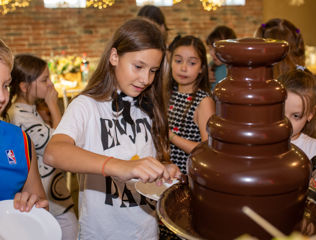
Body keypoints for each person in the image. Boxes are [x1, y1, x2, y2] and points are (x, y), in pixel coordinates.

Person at [43, 18, 181, 240]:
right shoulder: (87, 106)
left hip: (145, 232)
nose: (145, 79)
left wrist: (161, 171)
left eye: (153, 70)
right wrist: (121, 167)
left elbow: (137, 157)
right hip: (101, 233)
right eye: (138, 66)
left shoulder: (148, 107)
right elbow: (53, 153)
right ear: (114, 57)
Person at [7, 54, 78, 240]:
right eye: (45, 80)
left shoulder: (29, 110)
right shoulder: (20, 116)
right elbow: (63, 146)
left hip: (53, 193)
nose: (50, 85)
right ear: (24, 87)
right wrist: (53, 105)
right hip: (48, 197)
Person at [0, 39, 48, 212]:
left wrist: (34, 206)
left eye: (5, 85)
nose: (2, 97)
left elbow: (42, 206)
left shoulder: (20, 140)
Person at [167, 35, 215, 174]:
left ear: (202, 68)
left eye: (192, 63)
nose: (183, 68)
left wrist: (170, 136)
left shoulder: (203, 101)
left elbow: (208, 150)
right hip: (166, 174)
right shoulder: (170, 93)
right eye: (178, 61)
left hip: (188, 176)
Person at [278, 68, 316, 187]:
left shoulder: (315, 150)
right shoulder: (260, 141)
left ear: (311, 114)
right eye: (280, 111)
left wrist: (311, 189)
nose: (285, 122)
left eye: (296, 116)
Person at [206, 25, 237, 91]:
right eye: (210, 48)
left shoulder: (237, 68)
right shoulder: (211, 66)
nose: (211, 53)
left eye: (216, 48)